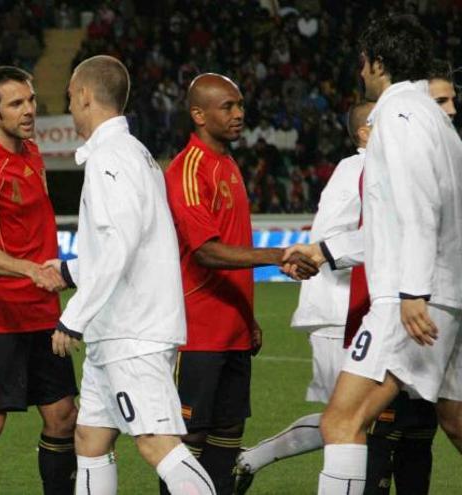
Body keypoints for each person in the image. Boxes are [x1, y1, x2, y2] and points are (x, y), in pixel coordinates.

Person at [278, 59, 459, 495]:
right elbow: (391, 230)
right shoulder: (447, 143)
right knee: (453, 419)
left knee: (342, 420)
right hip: (448, 296)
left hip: (419, 298)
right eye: (442, 100)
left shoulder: (405, 123)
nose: (449, 109)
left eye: (451, 100)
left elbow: (416, 218)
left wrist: (413, 292)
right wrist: (325, 250)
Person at [49, 54, 216, 495]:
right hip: (117, 330)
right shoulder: (131, 154)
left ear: (85, 95)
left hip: (132, 332)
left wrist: (73, 317)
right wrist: (68, 270)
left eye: (69, 98)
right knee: (89, 438)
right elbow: (122, 245)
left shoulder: (112, 159)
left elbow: (118, 245)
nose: (68, 108)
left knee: (156, 441)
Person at [162, 73, 318, 495]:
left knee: (228, 434)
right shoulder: (188, 169)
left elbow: (230, 246)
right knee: (188, 441)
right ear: (198, 114)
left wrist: (247, 317)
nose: (239, 114)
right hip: (195, 332)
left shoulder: (227, 164)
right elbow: (207, 251)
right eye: (227, 107)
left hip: (232, 330)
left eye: (240, 106)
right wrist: (277, 255)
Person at [233, 101, 374, 494]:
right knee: (347, 419)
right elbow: (327, 235)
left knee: (353, 416)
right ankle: (249, 459)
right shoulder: (357, 168)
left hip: (354, 310)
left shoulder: (372, 169)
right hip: (337, 310)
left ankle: (249, 459)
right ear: (364, 133)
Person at [0, 66, 77, 495]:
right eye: (16, 104)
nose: (28, 111)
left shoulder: (33, 152)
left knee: (63, 415)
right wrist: (31, 269)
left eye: (31, 100)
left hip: (41, 309)